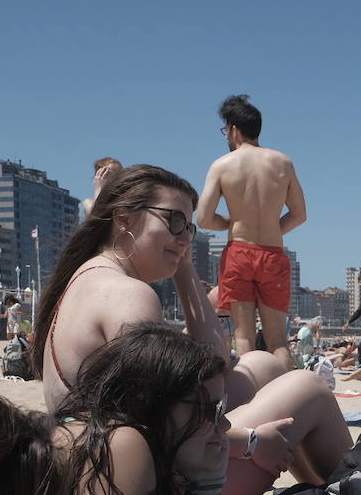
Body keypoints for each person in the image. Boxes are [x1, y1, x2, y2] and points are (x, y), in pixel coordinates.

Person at [51, 323, 351, 495]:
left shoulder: (117, 432)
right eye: (209, 410)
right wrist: (207, 484)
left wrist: (207, 483)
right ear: (154, 402)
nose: (224, 426)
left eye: (221, 408)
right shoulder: (118, 445)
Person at [31, 163, 286, 427]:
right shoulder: (127, 295)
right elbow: (154, 421)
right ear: (124, 218)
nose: (185, 238)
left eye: (189, 228)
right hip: (117, 455)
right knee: (304, 387)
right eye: (175, 221)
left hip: (90, 442)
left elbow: (215, 361)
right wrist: (247, 441)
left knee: (262, 364)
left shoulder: (86, 276)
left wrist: (183, 268)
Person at [198, 95, 307, 369]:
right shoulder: (283, 163)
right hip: (273, 254)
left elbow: (204, 219)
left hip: (239, 253)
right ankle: (287, 395)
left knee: (243, 337)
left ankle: (251, 396)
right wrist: (273, 231)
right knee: (278, 341)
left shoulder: (222, 165)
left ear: (233, 129)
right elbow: (299, 214)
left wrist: (231, 223)